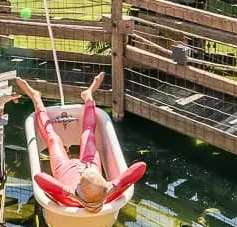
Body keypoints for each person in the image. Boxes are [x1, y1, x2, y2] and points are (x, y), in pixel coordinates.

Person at [13, 73, 146, 211]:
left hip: (65, 168)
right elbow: (141, 167)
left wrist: (70, 193)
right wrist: (114, 186)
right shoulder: (109, 196)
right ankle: (88, 95)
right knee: (89, 134)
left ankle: (36, 98)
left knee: (53, 138)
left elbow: (39, 177)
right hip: (91, 165)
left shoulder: (67, 199)